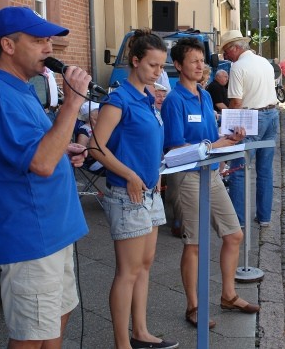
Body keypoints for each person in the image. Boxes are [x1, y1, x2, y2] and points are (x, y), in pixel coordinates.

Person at [0, 6, 91, 347]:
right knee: (31, 336)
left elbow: (33, 149)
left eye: (49, 40)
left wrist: (62, 148)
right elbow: (40, 164)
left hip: (52, 232)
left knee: (54, 321)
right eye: (39, 41)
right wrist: (72, 105)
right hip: (30, 238)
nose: (49, 48)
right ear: (8, 45)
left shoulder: (21, 88)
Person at [88, 29, 178, 349]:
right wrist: (129, 174)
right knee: (127, 271)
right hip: (128, 194)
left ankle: (140, 332)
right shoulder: (119, 98)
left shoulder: (146, 97)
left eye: (162, 66)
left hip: (149, 192)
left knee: (144, 265)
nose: (158, 73)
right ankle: (121, 342)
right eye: (153, 66)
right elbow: (96, 148)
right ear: (135, 61)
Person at [161, 37, 259, 330]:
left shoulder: (204, 96)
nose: (200, 65)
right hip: (189, 177)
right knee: (194, 244)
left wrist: (231, 136)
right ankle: (193, 306)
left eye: (202, 60)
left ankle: (228, 295)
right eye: (194, 61)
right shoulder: (174, 101)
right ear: (178, 66)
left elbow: (211, 134)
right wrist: (214, 144)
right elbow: (174, 149)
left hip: (212, 172)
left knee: (233, 234)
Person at [221, 29, 279, 227]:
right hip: (272, 115)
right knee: (265, 170)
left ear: (235, 48)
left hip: (251, 116)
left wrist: (226, 127)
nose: (224, 56)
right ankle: (264, 217)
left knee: (238, 170)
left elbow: (236, 103)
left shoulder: (237, 67)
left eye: (226, 52)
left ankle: (239, 220)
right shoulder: (264, 62)